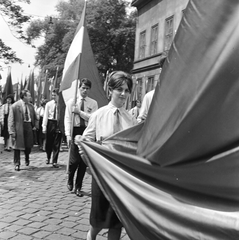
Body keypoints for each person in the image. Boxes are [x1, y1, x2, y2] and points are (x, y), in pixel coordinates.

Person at [77, 71, 137, 240]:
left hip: (120, 179)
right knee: (98, 221)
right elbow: (85, 144)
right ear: (110, 90)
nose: (124, 94)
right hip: (102, 176)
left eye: (126, 90)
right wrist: (90, 165)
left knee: (117, 223)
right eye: (120, 90)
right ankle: (91, 236)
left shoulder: (130, 119)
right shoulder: (98, 115)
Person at [64, 78, 98, 197]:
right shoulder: (71, 102)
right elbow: (67, 119)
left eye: (87, 88)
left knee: (83, 162)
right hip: (75, 131)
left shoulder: (93, 103)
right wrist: (68, 134)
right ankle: (70, 178)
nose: (85, 90)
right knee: (74, 161)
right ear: (79, 88)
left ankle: (78, 186)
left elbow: (93, 118)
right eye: (83, 88)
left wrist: (80, 112)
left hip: (86, 132)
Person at [8, 90, 37, 171]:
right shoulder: (15, 106)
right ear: (24, 96)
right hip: (19, 128)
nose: (30, 97)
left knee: (28, 146)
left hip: (28, 126)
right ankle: (17, 163)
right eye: (29, 95)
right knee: (17, 146)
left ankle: (27, 157)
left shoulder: (31, 106)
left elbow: (35, 117)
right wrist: (12, 131)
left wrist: (35, 126)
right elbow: (11, 119)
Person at [42, 88, 62, 168]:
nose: (53, 97)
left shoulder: (62, 104)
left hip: (58, 123)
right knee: (49, 143)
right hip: (50, 123)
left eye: (55, 95)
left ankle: (54, 161)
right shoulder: (49, 104)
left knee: (57, 144)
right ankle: (48, 156)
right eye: (52, 95)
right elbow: (45, 116)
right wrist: (44, 126)